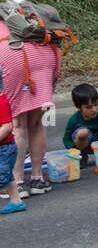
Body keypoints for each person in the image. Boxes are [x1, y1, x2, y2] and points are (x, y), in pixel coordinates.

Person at [0, 22, 61, 198]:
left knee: (17, 125)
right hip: (47, 54)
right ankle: (37, 180)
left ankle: (17, 183)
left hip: (13, 56)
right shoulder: (23, 19)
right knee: (36, 122)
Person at [0, 91, 23, 215]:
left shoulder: (1, 102)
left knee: (2, 177)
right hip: (4, 148)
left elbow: (7, 126)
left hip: (4, 149)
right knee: (8, 177)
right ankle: (16, 202)